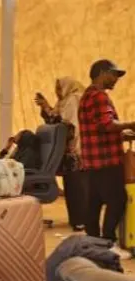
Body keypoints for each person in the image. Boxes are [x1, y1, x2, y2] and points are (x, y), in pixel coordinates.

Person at [78, 59, 135, 258]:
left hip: (91, 160)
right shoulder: (100, 96)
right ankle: (107, 243)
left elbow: (98, 128)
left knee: (94, 203)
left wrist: (124, 134)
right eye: (114, 75)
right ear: (102, 73)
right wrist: (132, 124)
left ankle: (92, 245)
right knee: (117, 200)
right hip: (106, 160)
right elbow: (106, 124)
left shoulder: (87, 95)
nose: (116, 80)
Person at [36, 77, 88, 231]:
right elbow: (55, 122)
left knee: (77, 187)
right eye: (56, 88)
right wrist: (46, 107)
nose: (57, 92)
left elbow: (68, 125)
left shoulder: (74, 99)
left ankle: (81, 220)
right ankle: (76, 219)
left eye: (59, 88)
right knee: (71, 187)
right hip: (67, 152)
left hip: (76, 150)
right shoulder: (64, 102)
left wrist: (48, 110)